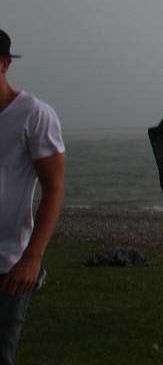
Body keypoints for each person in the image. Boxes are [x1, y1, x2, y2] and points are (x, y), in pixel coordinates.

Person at [0, 29, 66, 365]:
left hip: (8, 263)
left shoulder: (34, 115)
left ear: (5, 64)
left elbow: (53, 188)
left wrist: (32, 258)